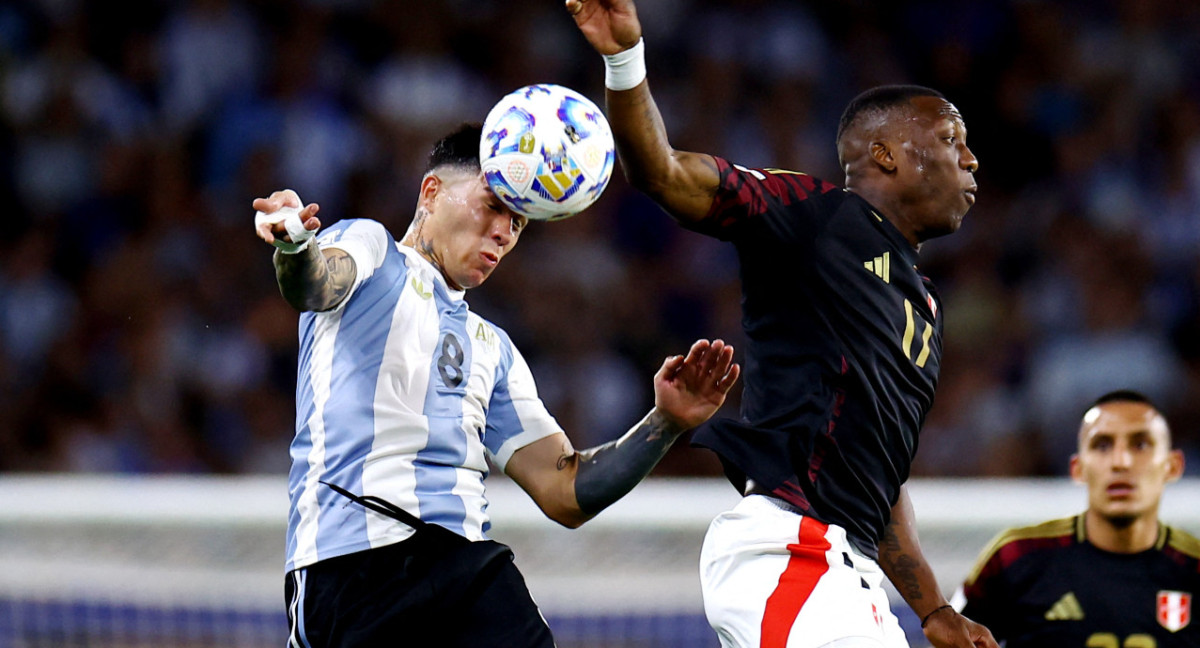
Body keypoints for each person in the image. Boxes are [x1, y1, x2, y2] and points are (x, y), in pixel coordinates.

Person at [567, 2, 996, 647]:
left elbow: (877, 478)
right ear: (884, 154)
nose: (971, 161)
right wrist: (625, 57)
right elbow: (661, 171)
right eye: (950, 140)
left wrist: (934, 611)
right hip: (789, 550)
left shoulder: (926, 311)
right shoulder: (818, 218)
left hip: (850, 576)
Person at [252, 122, 741, 648]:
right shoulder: (371, 248)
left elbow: (566, 491)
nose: (505, 232)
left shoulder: (494, 348)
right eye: (493, 205)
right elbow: (317, 282)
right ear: (431, 192)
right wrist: (297, 245)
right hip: (356, 566)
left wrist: (665, 423)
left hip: (466, 569)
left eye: (518, 221)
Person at [957, 390, 1199, 647]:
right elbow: (948, 638)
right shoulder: (1016, 557)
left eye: (1140, 444)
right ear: (1078, 468)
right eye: (1102, 445)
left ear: (1173, 466)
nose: (1121, 462)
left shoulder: (1194, 566)